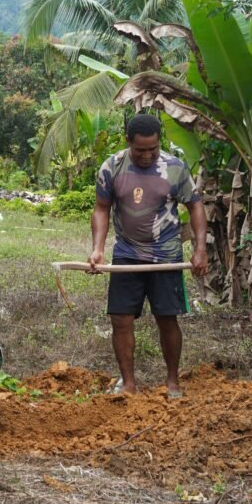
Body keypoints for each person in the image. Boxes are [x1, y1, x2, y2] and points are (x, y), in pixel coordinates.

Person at [87, 113, 208, 397]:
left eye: (153, 149)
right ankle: (128, 383)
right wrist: (97, 249)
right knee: (120, 318)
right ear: (128, 141)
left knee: (167, 318)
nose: (147, 155)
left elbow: (195, 206)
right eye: (140, 150)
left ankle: (173, 382)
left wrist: (200, 248)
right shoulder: (112, 167)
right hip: (127, 254)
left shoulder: (175, 168)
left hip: (166, 256)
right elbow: (101, 208)